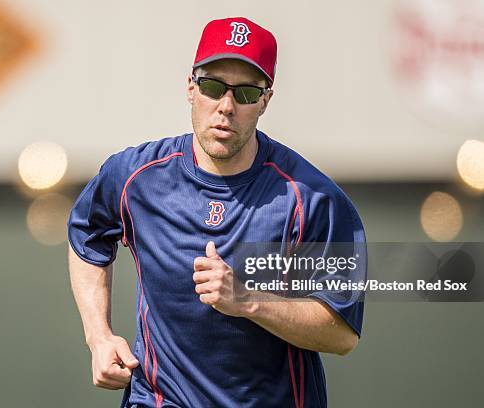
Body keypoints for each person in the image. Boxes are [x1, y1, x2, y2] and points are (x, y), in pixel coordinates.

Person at [67, 16, 366, 408]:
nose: (225, 107)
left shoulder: (311, 199)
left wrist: (247, 300)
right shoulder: (135, 176)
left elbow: (341, 335)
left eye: (244, 93)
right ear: (191, 88)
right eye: (212, 87)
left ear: (265, 100)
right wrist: (99, 336)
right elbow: (88, 238)